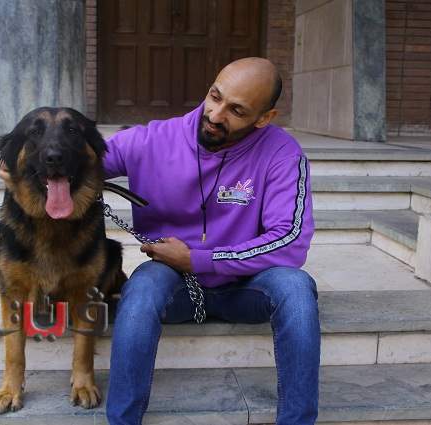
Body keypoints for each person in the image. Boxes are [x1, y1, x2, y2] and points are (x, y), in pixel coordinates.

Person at [102, 57, 320, 425]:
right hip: (174, 284)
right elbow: (79, 162)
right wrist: (26, 161)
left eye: (237, 110)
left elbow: (290, 240)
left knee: (297, 289)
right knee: (140, 290)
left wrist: (200, 259)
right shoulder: (153, 140)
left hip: (248, 287)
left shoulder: (283, 152)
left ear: (264, 118)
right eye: (215, 97)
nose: (216, 115)